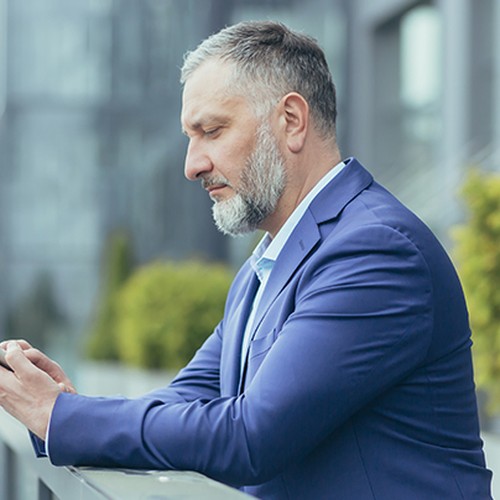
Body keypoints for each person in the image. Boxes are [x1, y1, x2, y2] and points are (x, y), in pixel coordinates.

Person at [0, 20, 493, 499]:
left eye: (211, 130)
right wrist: (64, 408)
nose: (192, 165)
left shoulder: (376, 251)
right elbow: (185, 403)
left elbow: (251, 435)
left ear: (292, 121)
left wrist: (60, 418)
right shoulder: (265, 266)